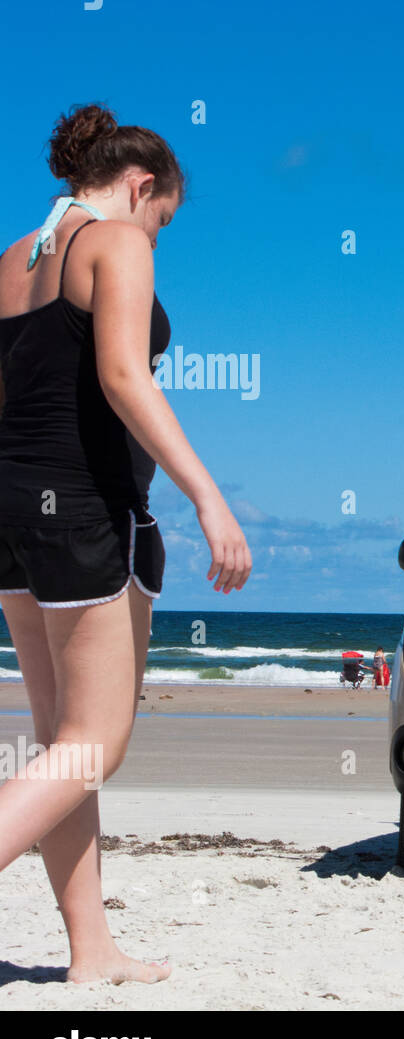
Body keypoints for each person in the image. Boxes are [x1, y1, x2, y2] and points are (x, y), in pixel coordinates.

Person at [0, 104, 252, 984]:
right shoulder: (116, 243)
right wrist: (209, 499)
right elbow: (120, 375)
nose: (159, 238)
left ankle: (90, 951)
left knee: (58, 749)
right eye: (165, 218)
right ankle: (89, 946)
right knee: (92, 745)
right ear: (142, 188)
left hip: (14, 518)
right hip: (79, 512)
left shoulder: (10, 261)